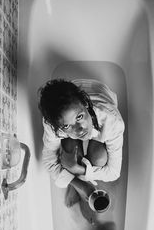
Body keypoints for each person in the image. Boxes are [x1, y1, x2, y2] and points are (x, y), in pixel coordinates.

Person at [38, 78, 125, 207]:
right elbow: (49, 162)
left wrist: (77, 169)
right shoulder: (52, 125)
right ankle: (77, 187)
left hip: (98, 92)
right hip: (71, 102)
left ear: (86, 104)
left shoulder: (112, 121)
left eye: (79, 117)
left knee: (99, 158)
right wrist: (81, 185)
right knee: (69, 149)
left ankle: (77, 178)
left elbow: (113, 172)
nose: (79, 130)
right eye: (67, 126)